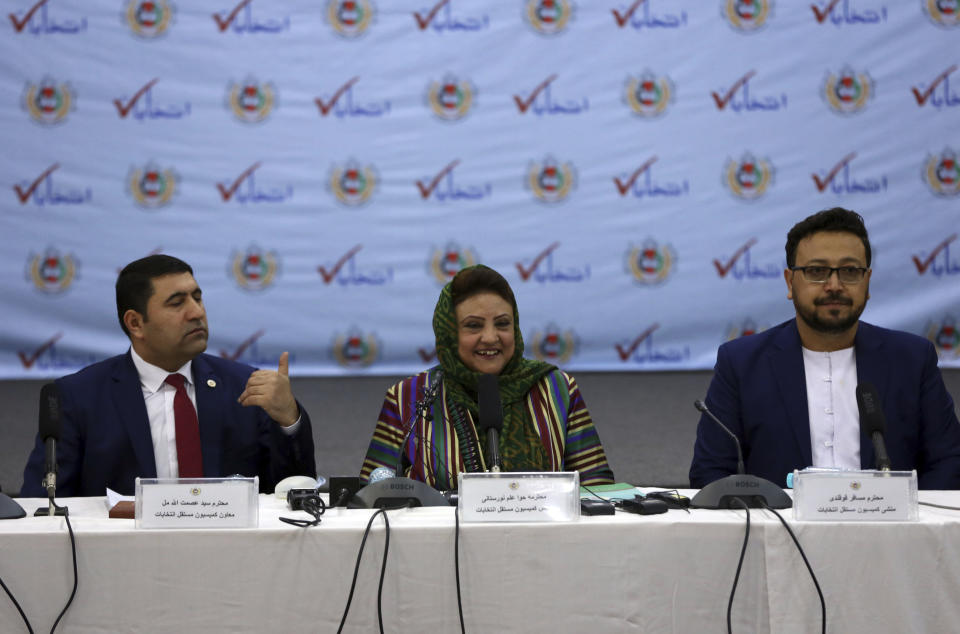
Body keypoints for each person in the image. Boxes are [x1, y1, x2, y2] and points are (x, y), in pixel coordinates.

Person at [689, 207, 960, 490]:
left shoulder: (913, 359)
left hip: (892, 531)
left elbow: (949, 462)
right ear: (790, 282)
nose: (834, 285)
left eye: (850, 271)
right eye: (816, 271)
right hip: (780, 531)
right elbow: (711, 472)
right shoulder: (742, 363)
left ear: (867, 282)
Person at [21, 255, 316, 497]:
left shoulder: (246, 387)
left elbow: (294, 493)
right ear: (135, 323)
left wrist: (288, 419)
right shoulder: (78, 396)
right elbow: (43, 504)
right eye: (177, 303)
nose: (196, 312)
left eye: (197, 298)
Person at [360, 265, 614, 489]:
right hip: (441, 541)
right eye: (473, 325)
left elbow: (597, 486)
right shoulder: (409, 396)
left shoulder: (556, 388)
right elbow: (372, 491)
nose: (491, 337)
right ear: (449, 332)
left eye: (502, 324)